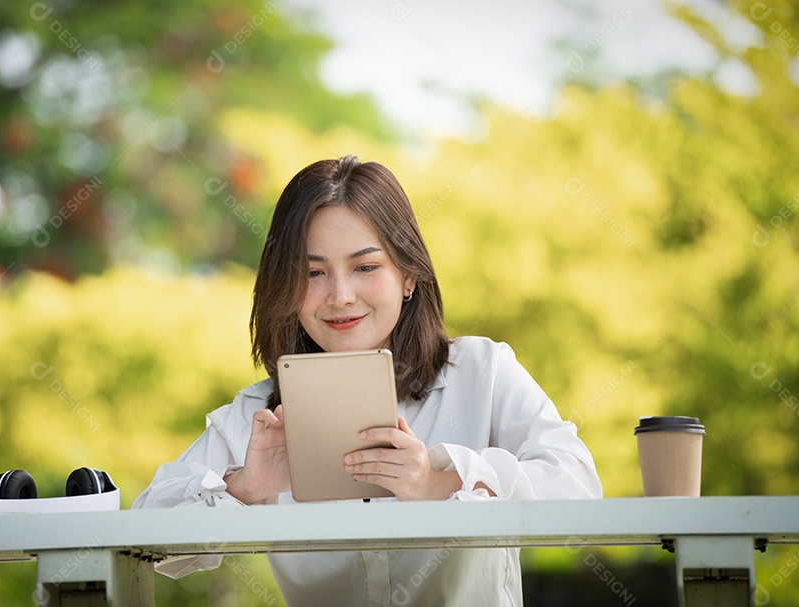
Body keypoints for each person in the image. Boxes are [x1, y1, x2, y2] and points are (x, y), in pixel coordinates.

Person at [133, 156, 602, 606]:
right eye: (313, 272)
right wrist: (244, 489)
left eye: (366, 267)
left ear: (409, 275)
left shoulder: (482, 371)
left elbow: (579, 487)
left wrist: (440, 482)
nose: (340, 296)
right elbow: (144, 541)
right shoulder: (259, 417)